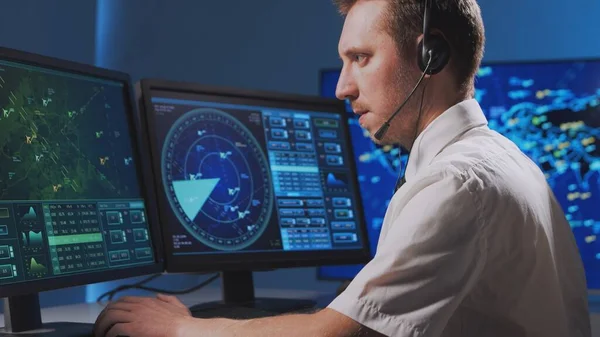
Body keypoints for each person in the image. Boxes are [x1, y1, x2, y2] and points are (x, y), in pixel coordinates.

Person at [93, 0, 592, 336]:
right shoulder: (501, 158)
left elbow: (334, 335)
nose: (342, 87)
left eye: (361, 58)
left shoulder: (457, 183)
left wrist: (183, 327)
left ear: (429, 55)